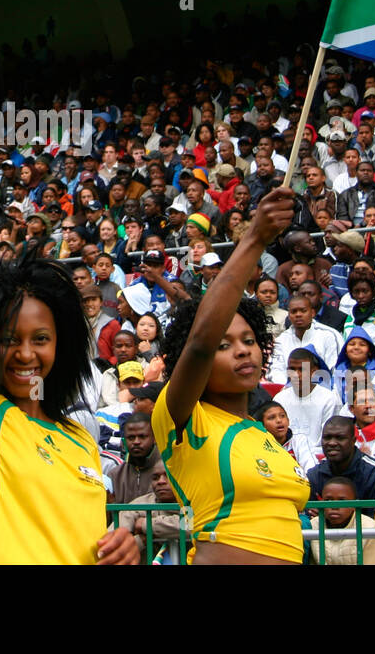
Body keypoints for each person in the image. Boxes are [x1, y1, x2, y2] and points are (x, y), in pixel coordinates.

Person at [0, 99, 136, 564]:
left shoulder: (81, 438)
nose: (25, 354)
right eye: (8, 339)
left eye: (40, 339)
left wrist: (122, 548)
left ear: (60, 345)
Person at [153, 185, 311, 564]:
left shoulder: (263, 432)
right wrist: (255, 238)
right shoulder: (183, 416)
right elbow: (200, 343)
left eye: (249, 340)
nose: (242, 350)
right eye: (225, 345)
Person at [307, 415, 375, 505]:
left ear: (353, 441)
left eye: (340, 438)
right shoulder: (314, 476)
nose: (332, 443)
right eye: (327, 438)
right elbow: (308, 517)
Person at [272, 347, 341, 463]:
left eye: (302, 370)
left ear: (314, 371)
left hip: (319, 460)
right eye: (292, 369)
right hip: (284, 459)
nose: (296, 375)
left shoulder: (329, 399)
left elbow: (330, 441)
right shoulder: (279, 399)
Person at [308, 476, 375, 566]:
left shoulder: (369, 527)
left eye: (342, 500)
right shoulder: (313, 526)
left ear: (354, 505)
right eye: (328, 500)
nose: (334, 506)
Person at [116, 461, 184, 564]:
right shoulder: (140, 504)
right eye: (155, 478)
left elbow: (189, 525)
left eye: (168, 476)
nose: (160, 482)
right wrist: (142, 539)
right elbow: (115, 539)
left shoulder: (194, 500)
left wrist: (146, 524)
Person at [331, 328, 375, 412]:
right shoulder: (339, 370)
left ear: (370, 351)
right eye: (352, 344)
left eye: (362, 345)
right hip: (345, 416)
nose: (356, 347)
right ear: (345, 350)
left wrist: (371, 388)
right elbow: (332, 398)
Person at [107, 413, 159, 504]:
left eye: (142, 437)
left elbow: (186, 512)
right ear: (123, 441)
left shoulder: (168, 472)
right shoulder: (115, 475)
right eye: (131, 438)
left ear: (154, 438)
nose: (136, 442)